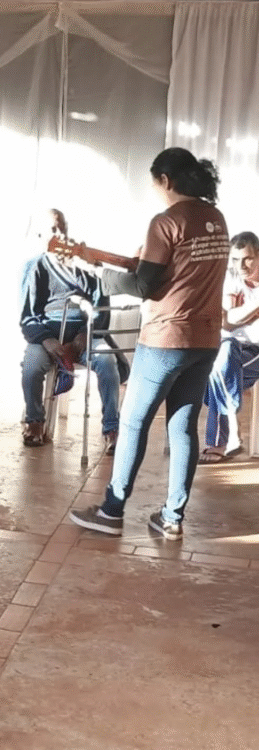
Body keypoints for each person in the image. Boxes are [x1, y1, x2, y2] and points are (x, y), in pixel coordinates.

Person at [69, 147, 230, 540]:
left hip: (165, 338)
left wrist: (102, 278)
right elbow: (174, 272)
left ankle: (111, 511)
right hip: (206, 339)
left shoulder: (166, 221)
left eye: (156, 184)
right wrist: (119, 264)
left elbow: (145, 285)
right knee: (183, 426)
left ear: (165, 180)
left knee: (133, 422)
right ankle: (172, 518)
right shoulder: (216, 218)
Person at [20, 209, 128, 449]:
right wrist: (46, 340)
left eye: (62, 228)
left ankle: (112, 428)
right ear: (40, 236)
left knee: (107, 362)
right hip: (47, 336)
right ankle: (34, 421)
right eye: (52, 230)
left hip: (84, 334)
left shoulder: (87, 266)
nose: (59, 234)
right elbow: (27, 316)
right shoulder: (34, 267)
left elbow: (101, 308)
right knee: (31, 367)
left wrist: (84, 335)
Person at [201, 232, 259, 462]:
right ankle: (230, 429)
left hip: (256, 350)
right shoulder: (231, 276)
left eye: (247, 259)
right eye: (235, 259)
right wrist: (253, 308)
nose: (240, 266)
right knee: (221, 361)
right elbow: (226, 321)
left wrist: (238, 315)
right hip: (230, 346)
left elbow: (232, 317)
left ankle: (219, 442)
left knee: (216, 372)